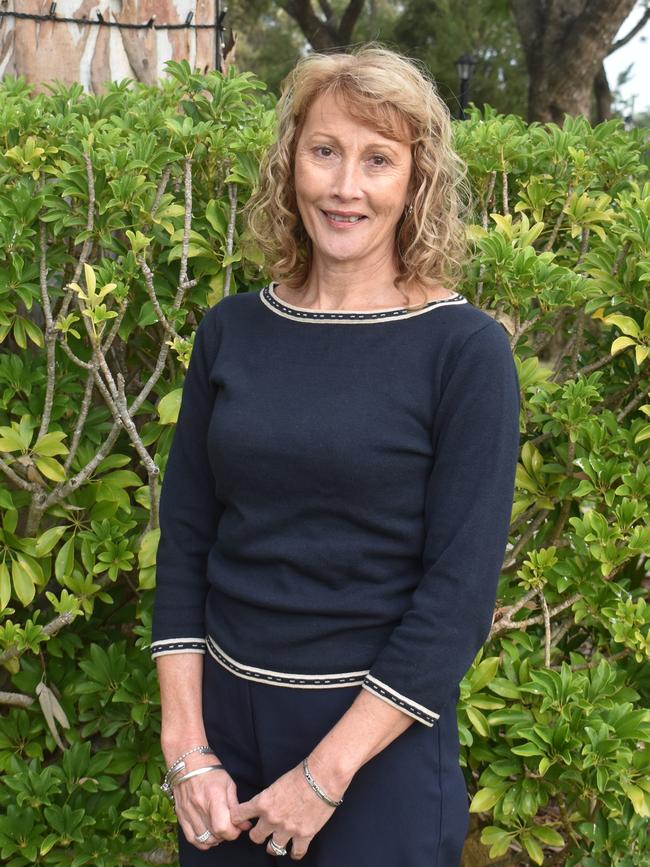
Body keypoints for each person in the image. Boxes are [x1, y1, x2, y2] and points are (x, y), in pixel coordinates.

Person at [151, 44, 520, 866]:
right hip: (223, 766)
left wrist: (323, 775)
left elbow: (456, 600)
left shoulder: (463, 350)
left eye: (378, 159)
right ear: (291, 166)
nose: (346, 186)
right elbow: (185, 545)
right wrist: (188, 749)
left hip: (377, 758)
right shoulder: (231, 332)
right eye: (325, 151)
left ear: (415, 183)